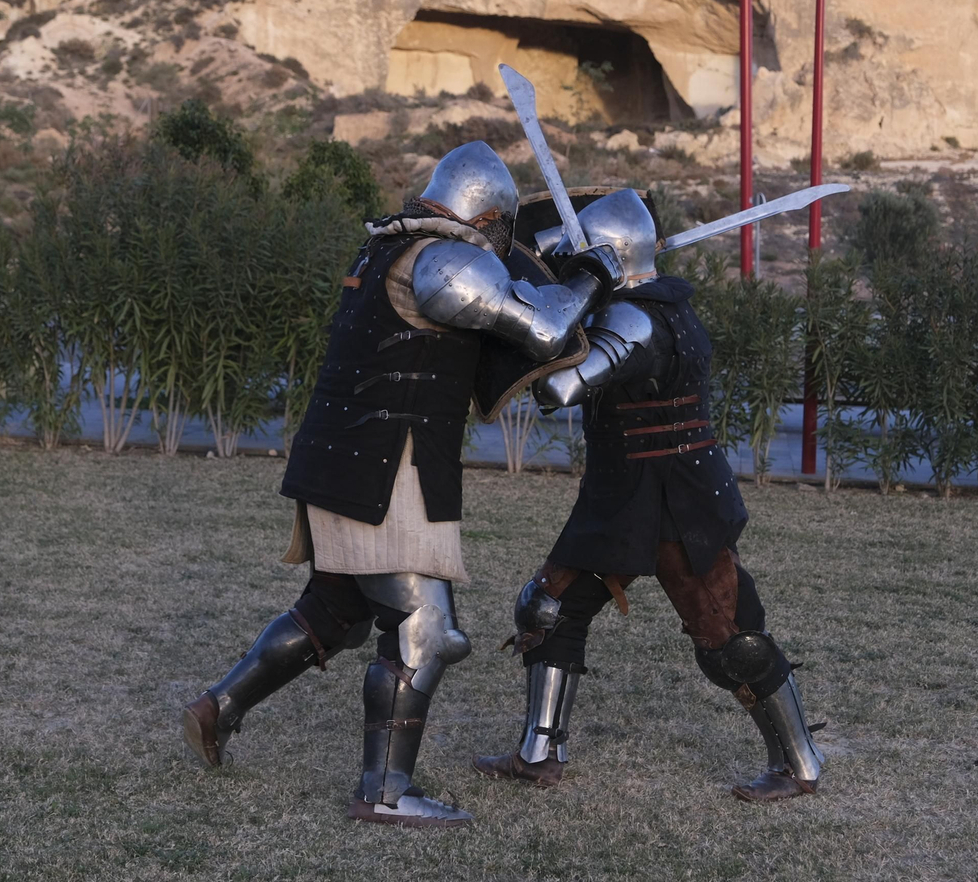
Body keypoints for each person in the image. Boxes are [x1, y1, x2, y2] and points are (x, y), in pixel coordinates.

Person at [181, 141, 624, 828]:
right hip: (387, 472)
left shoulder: (386, 248)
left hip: (345, 464)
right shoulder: (448, 260)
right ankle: (386, 792)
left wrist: (556, 273)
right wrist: (593, 277)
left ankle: (221, 706)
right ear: (490, 219)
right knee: (427, 631)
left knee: (334, 612)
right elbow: (542, 330)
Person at [471, 188, 825, 802]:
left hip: (674, 501)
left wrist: (552, 310)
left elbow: (559, 391)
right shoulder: (658, 304)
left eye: (586, 252)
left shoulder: (634, 318)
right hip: (623, 492)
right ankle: (539, 751)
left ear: (608, 255)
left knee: (729, 639)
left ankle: (800, 762)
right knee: (550, 608)